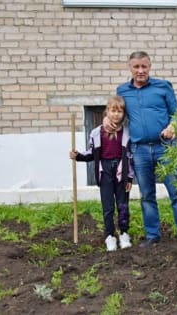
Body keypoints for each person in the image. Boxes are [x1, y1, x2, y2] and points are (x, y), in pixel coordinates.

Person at [105, 51, 177, 249]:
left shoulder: (163, 87)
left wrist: (173, 126)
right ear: (130, 68)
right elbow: (117, 112)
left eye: (144, 67)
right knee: (147, 195)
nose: (140, 71)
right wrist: (107, 118)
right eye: (136, 67)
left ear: (149, 67)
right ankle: (152, 235)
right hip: (139, 150)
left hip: (165, 147)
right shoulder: (122, 90)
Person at [70, 95, 134, 252]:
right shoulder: (96, 133)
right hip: (104, 172)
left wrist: (130, 177)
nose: (116, 114)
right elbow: (91, 153)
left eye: (120, 111)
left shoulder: (127, 134)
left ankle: (124, 233)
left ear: (123, 114)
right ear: (107, 111)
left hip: (121, 172)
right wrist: (78, 156)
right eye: (113, 110)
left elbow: (130, 157)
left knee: (123, 206)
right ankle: (109, 236)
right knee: (108, 207)